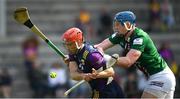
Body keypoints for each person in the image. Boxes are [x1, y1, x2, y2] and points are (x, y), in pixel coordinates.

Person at [95, 11, 176, 98]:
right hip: (158, 77)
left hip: (160, 77)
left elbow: (128, 61)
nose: (116, 27)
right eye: (115, 24)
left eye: (119, 24)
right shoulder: (120, 35)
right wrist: (86, 50)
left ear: (128, 25)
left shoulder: (140, 37)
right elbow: (99, 47)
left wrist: (105, 58)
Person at [61, 27, 124, 98]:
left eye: (70, 44)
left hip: (108, 90)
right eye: (67, 45)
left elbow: (111, 72)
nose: (68, 47)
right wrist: (83, 76)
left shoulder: (92, 55)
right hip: (97, 90)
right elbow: (73, 75)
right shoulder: (72, 53)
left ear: (79, 41)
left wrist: (97, 75)